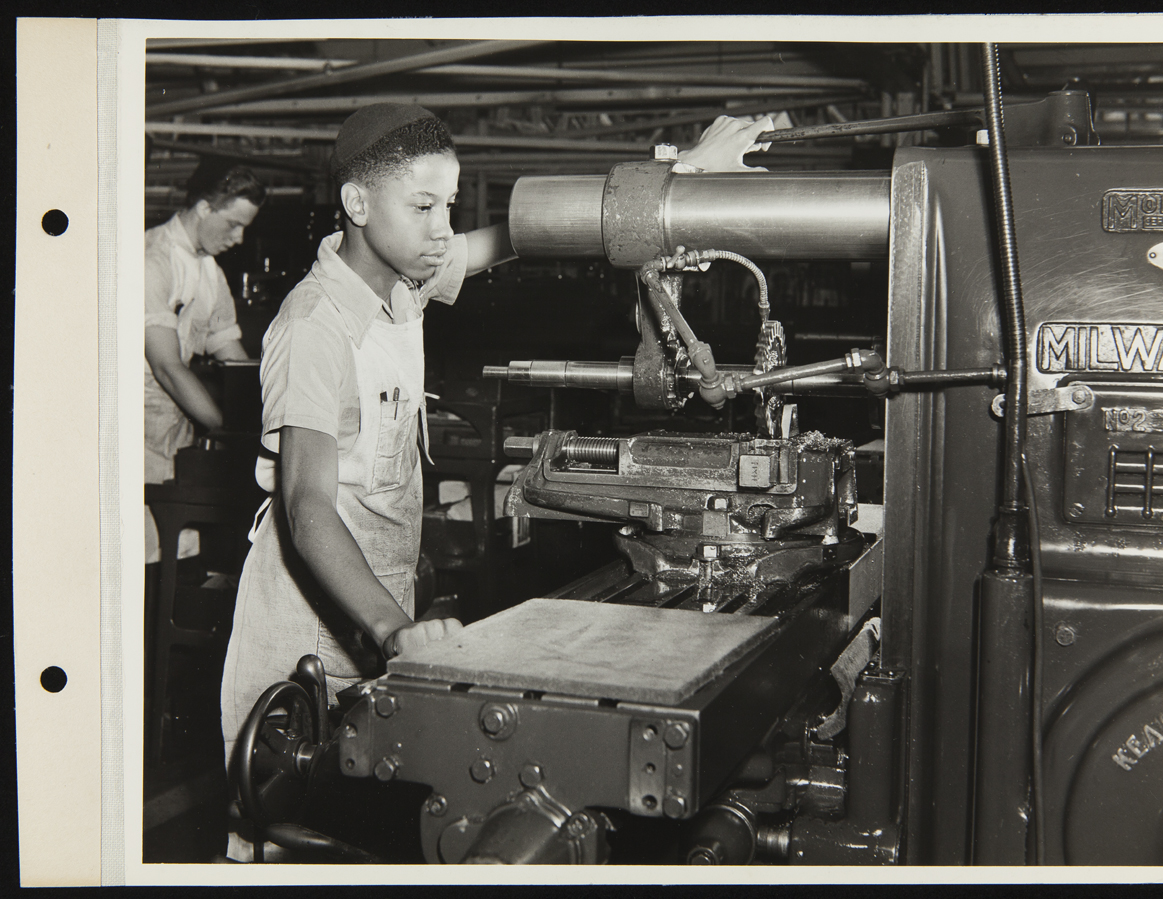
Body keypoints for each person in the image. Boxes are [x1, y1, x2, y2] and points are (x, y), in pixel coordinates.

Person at [219, 106, 774, 856]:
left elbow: (520, 234)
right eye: (424, 206)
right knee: (287, 841)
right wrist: (393, 628)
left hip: (379, 610)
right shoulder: (316, 323)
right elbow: (306, 505)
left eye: (449, 205)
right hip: (309, 632)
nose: (443, 227)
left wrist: (669, 176)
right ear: (357, 204)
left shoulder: (401, 281)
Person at [144, 162, 266, 563]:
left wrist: (269, 412)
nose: (240, 237)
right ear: (203, 208)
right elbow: (167, 367)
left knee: (173, 557)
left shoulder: (209, 272)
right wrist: (232, 428)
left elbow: (233, 356)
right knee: (135, 560)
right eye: (233, 224)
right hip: (130, 435)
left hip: (172, 435)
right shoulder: (152, 260)